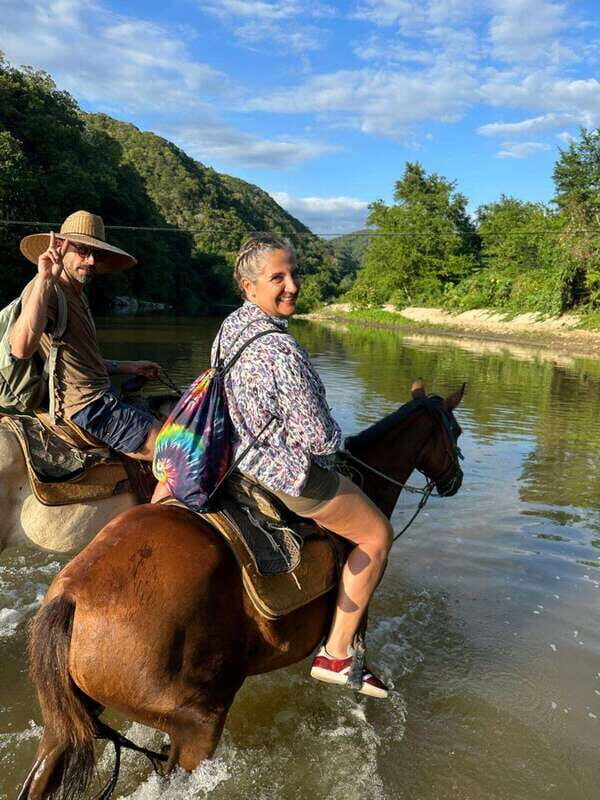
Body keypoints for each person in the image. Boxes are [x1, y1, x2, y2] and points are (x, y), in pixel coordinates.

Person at [213, 234, 393, 699]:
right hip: (284, 473)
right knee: (375, 535)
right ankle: (336, 653)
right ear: (250, 286)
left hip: (233, 461)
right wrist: (337, 436)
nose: (292, 285)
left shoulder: (231, 327)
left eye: (293, 274)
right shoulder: (282, 349)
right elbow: (317, 437)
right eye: (278, 277)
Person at [9, 210, 162, 460]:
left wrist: (130, 367)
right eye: (82, 250)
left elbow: (80, 362)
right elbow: (21, 349)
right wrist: (45, 277)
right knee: (183, 452)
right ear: (60, 247)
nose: (91, 261)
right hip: (86, 408)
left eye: (97, 254)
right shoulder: (47, 289)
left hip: (101, 398)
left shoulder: (78, 295)